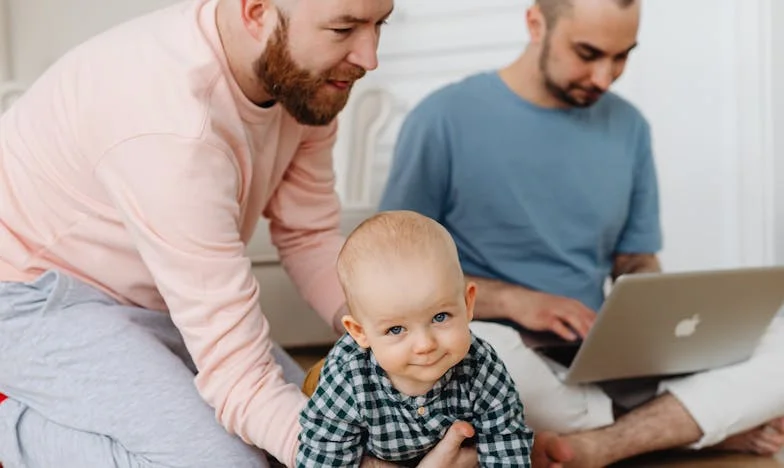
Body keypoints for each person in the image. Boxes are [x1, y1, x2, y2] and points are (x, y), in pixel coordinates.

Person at [0, 0, 479, 467]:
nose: (369, 58)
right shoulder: (171, 126)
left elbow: (308, 235)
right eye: (343, 29)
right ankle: (12, 416)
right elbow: (241, 379)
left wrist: (395, 330)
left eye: (380, 25)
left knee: (307, 429)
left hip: (163, 297)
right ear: (256, 12)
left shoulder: (306, 84)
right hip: (29, 298)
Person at [378, 0, 784, 466]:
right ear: (536, 23)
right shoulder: (442, 117)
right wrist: (515, 302)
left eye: (622, 56)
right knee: (475, 358)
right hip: (502, 350)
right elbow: (392, 277)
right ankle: (682, 424)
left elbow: (634, 259)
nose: (604, 77)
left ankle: (600, 443)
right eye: (587, 54)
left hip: (598, 356)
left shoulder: (629, 127)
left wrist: (655, 315)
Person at [296, 210, 534, 467]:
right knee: (314, 388)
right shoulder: (348, 380)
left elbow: (505, 440)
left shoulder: (481, 367)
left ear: (467, 304)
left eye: (440, 317)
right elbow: (323, 457)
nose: (425, 345)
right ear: (360, 332)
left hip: (448, 450)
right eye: (396, 329)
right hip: (367, 453)